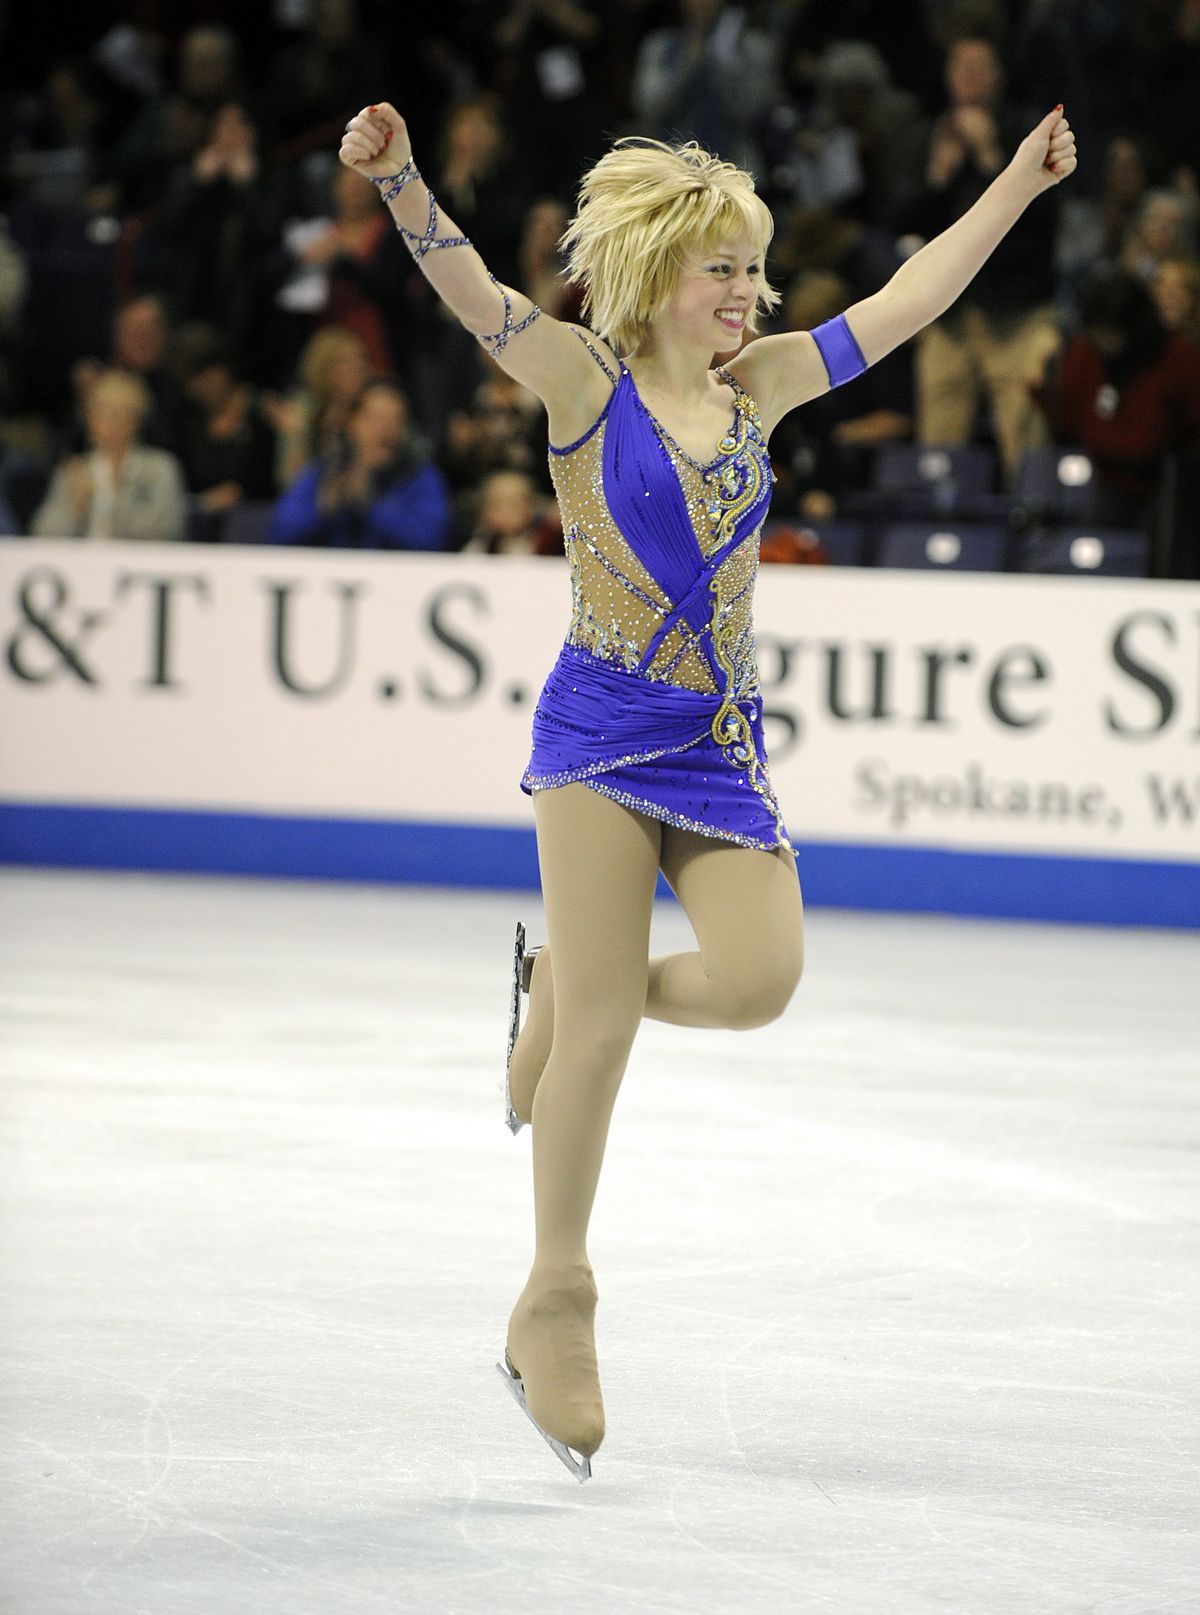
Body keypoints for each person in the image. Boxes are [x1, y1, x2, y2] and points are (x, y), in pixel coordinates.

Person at [337, 93, 1076, 1479]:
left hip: (721, 750)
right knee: (610, 1033)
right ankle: (556, 1289)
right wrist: (404, 184)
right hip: (601, 732)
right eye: (723, 266)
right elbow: (473, 295)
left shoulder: (767, 385)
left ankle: (564, 977)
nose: (747, 291)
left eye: (755, 267)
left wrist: (1018, 192)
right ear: (659, 267)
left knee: (759, 978)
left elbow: (913, 300)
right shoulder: (580, 381)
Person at [267, 377, 450, 549]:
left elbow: (432, 539)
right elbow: (279, 533)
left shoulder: (419, 476)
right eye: (376, 418)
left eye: (396, 420)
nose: (386, 429)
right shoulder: (326, 470)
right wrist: (323, 509)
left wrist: (372, 507)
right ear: (353, 423)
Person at [30, 368, 187, 542]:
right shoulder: (76, 470)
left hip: (137, 565)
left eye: (122, 412)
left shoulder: (159, 469)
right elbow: (43, 534)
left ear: (137, 420)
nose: (112, 422)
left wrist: (117, 495)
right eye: (103, 411)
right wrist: (76, 507)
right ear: (90, 418)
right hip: (80, 565)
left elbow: (167, 530)